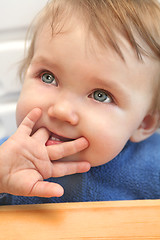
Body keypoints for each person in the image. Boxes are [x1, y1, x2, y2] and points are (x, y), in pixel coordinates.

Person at [0, 0, 160, 205]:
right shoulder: (7, 158)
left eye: (101, 95)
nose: (61, 110)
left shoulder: (153, 166)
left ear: (143, 123)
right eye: (48, 77)